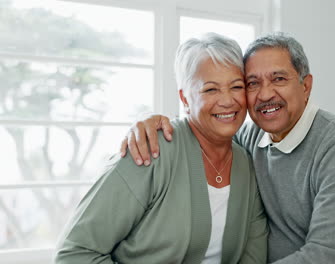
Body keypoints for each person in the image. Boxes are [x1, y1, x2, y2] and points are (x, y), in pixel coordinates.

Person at [121, 32, 335, 263]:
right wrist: (155, 124)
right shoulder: (249, 136)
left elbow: (330, 257)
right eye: (252, 83)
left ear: (305, 86)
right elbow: (204, 131)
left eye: (278, 79)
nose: (265, 94)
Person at [55, 33, 268, 264]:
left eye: (236, 86)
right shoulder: (149, 151)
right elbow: (74, 253)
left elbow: (253, 257)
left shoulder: (247, 164)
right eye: (210, 90)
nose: (227, 100)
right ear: (185, 99)